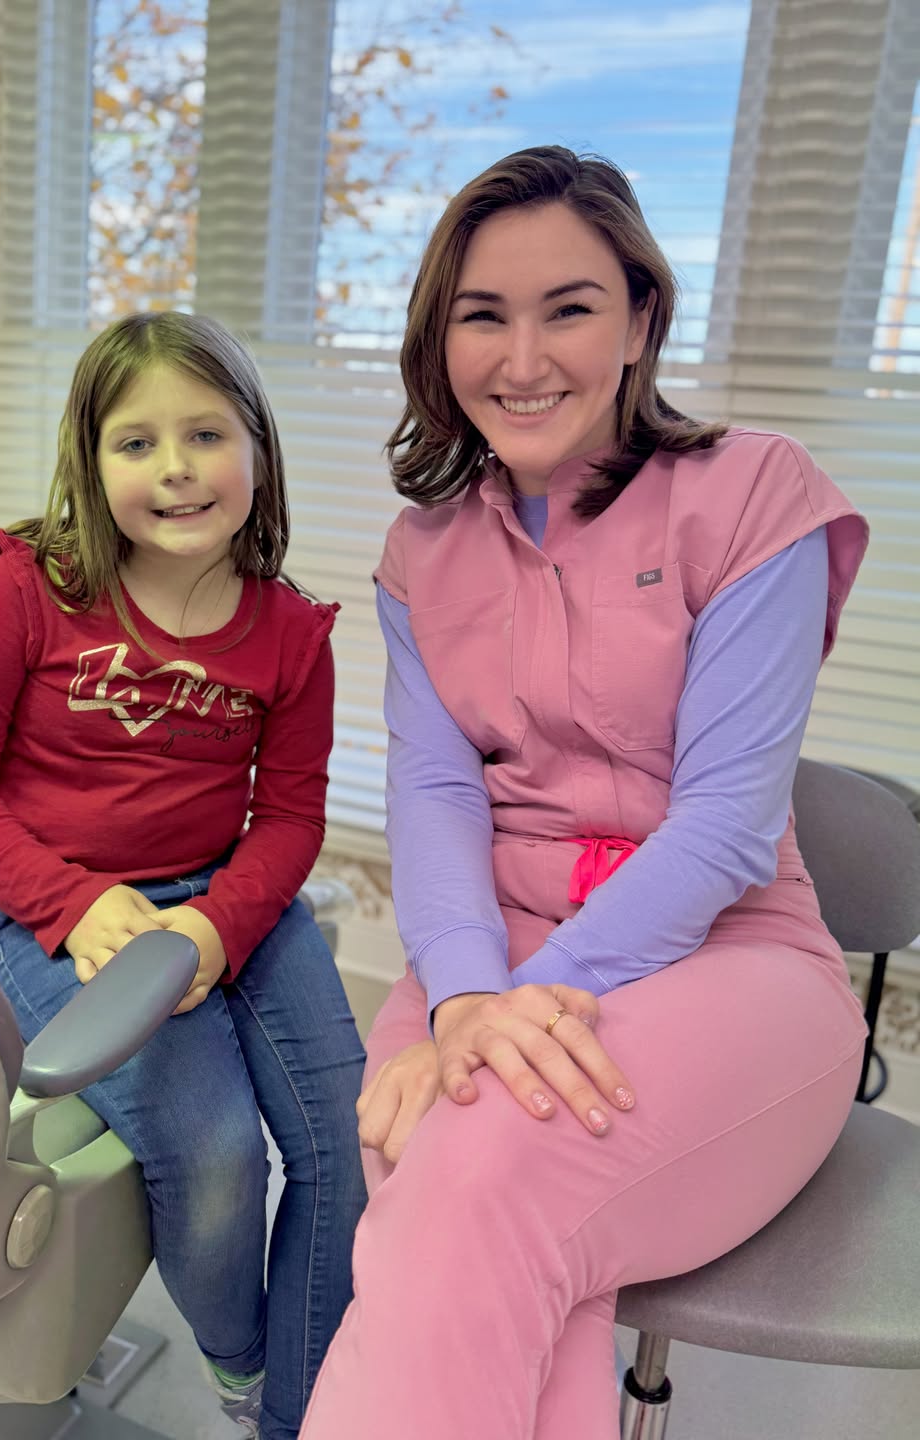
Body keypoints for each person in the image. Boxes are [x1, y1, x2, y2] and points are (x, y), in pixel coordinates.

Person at [299, 146, 870, 1440]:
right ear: (438, 340)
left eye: (570, 308)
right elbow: (437, 800)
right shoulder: (421, 552)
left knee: (481, 1166)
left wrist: (532, 1007)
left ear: (640, 321)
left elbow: (726, 828)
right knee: (467, 1223)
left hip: (733, 962)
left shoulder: (752, 496)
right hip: (486, 957)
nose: (524, 358)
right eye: (483, 316)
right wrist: (466, 999)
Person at [0, 311, 368, 1440]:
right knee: (215, 1157)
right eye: (137, 442)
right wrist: (76, 904)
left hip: (229, 899)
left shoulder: (292, 636)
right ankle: (250, 1372)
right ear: (89, 457)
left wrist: (216, 927)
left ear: (257, 450)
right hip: (61, 916)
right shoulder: (22, 592)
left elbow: (292, 817)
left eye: (206, 434)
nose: (175, 469)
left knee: (344, 1143)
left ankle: (299, 1421)